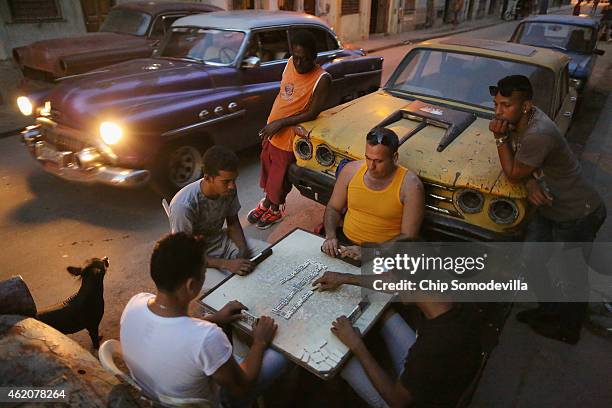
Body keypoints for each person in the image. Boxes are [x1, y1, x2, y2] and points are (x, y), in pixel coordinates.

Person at [488, 75, 606, 344]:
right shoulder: (519, 122)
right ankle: (549, 311)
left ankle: (568, 330)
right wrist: (530, 182)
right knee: (531, 260)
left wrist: (499, 139)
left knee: (571, 274)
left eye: (506, 105)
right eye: (496, 104)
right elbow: (522, 168)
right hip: (550, 209)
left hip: (579, 213)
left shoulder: (538, 132)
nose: (498, 112)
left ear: (526, 105)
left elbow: (513, 170)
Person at [120, 233, 288, 406]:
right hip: (209, 401)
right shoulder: (207, 337)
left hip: (153, 396)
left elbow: (173, 330)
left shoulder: (135, 303)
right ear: (191, 285)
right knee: (280, 356)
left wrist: (213, 318)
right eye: (204, 272)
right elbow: (242, 386)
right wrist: (259, 342)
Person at [312, 269, 482, 407]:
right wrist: (346, 278)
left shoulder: (432, 347)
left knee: (341, 360)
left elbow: (398, 401)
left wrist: (357, 345)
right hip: (435, 374)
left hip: (408, 401)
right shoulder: (446, 298)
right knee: (385, 312)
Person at [247, 30, 331, 230]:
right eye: (296, 57)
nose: (299, 63)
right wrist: (272, 123)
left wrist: (281, 123)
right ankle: (267, 202)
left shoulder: (322, 79)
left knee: (280, 177)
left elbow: (312, 113)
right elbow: (284, 95)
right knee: (267, 170)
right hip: (272, 132)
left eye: (304, 59)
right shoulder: (289, 64)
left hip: (288, 138)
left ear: (314, 57)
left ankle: (275, 209)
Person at [320, 127, 425, 262]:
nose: (371, 166)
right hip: (344, 244)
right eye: (368, 158)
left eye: (378, 161)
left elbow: (408, 236)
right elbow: (333, 208)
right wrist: (330, 236)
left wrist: (371, 252)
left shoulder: (410, 186)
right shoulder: (351, 171)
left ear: (395, 157)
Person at [169, 146, 269, 284]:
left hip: (221, 242)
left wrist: (242, 250)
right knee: (230, 286)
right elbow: (185, 255)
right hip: (195, 258)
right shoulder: (183, 206)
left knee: (268, 255)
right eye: (226, 181)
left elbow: (233, 223)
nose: (232, 186)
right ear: (208, 178)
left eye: (234, 180)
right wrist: (227, 264)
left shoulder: (228, 190)